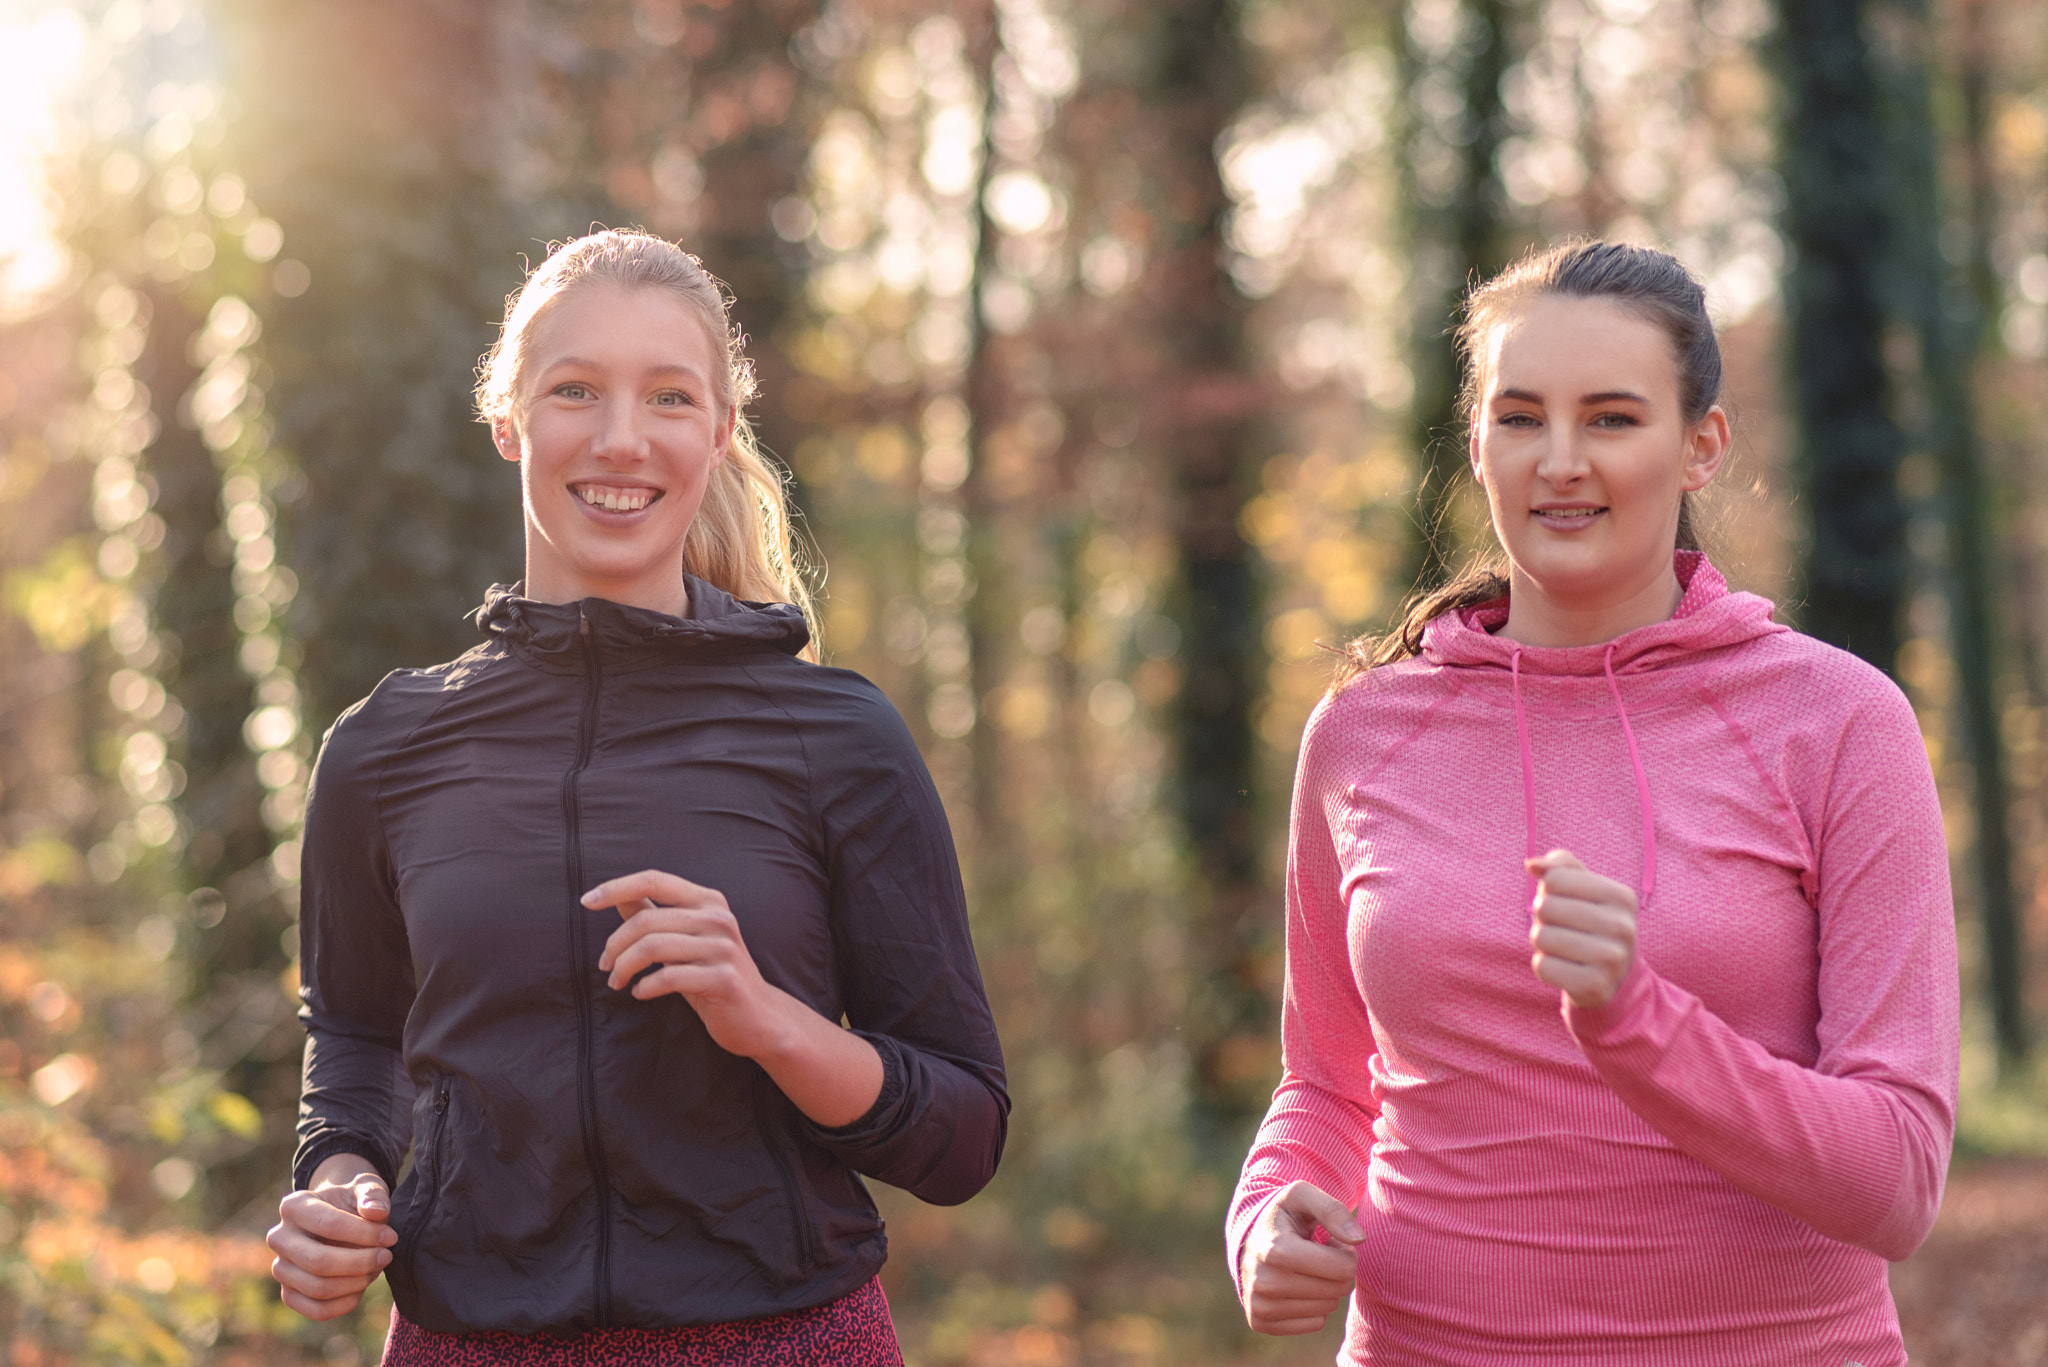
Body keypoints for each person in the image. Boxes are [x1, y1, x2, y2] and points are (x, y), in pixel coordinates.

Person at [266, 229, 1007, 1365]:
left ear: (715, 434)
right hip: (469, 1341)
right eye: (575, 390)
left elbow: (961, 1134)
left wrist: (769, 1020)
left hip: (782, 1341)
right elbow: (357, 1037)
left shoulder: (834, 735)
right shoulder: (387, 745)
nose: (620, 439)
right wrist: (341, 1181)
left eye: (667, 396)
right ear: (507, 417)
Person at [1229, 240, 1957, 1364]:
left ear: (1699, 445)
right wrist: (1270, 1215)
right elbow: (1326, 1084)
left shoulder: (1836, 721)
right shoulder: (1362, 732)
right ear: (1476, 443)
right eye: (1519, 418)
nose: (1558, 460)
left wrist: (1636, 1020)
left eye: (1611, 418)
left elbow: (1897, 1180)